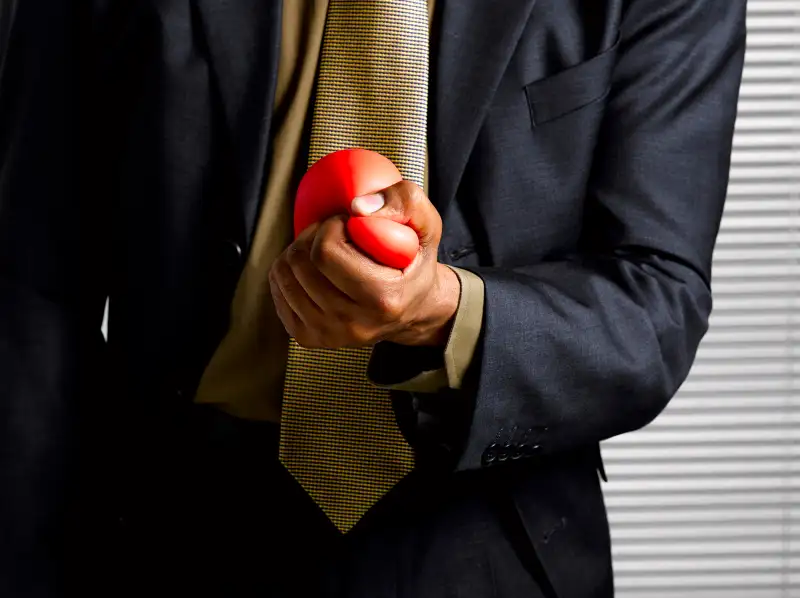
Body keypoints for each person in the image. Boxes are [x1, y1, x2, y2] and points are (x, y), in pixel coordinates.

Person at [0, 0, 746, 596]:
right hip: (171, 529)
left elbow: (655, 302)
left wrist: (442, 314)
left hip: (489, 540)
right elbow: (31, 281)